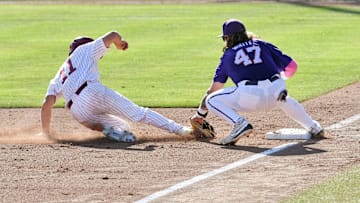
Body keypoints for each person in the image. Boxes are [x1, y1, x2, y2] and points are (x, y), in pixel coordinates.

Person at [41, 31, 193, 143]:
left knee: (122, 126)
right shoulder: (86, 49)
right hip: (91, 92)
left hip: (77, 111)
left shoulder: (59, 74)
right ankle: (180, 129)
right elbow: (113, 35)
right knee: (138, 113)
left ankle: (109, 131)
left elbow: (47, 104)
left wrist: (46, 132)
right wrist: (120, 44)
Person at [191, 19, 324, 145]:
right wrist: (278, 81)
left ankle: (239, 123)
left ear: (227, 38)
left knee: (211, 99)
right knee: (285, 100)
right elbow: (292, 66)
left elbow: (213, 90)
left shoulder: (228, 55)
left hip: (250, 98)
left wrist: (199, 115)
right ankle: (314, 127)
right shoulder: (262, 44)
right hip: (277, 91)